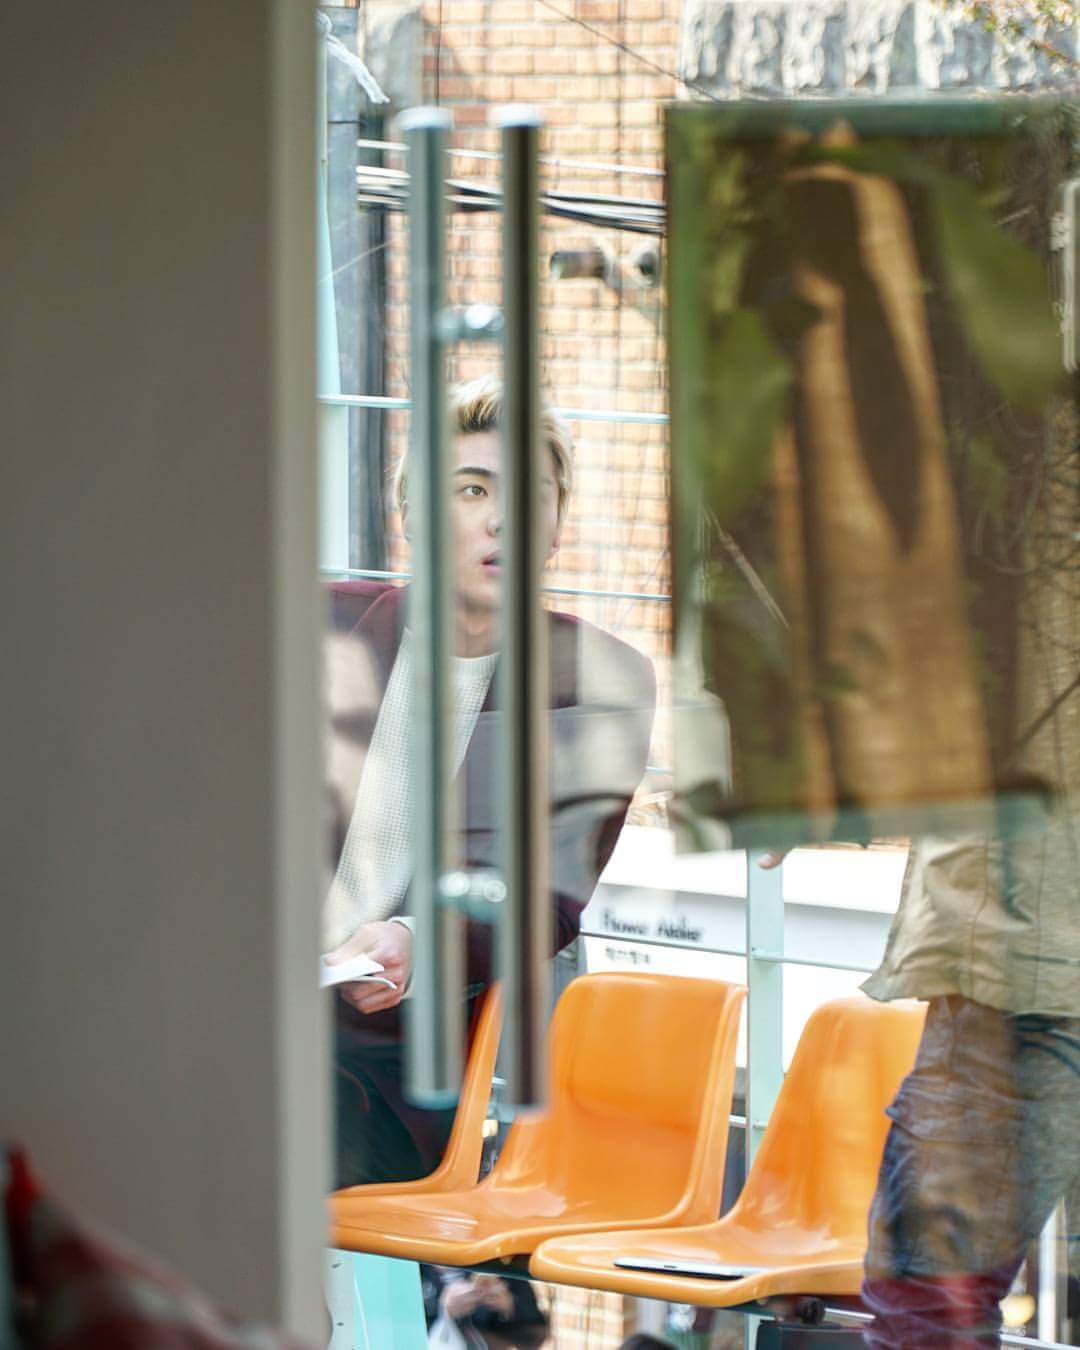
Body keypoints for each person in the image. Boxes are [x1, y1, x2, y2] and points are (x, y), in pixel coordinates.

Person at [323, 376, 656, 1187]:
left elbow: (546, 898)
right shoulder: (316, 625)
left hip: (385, 1073)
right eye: (472, 490)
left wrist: (416, 941)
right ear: (411, 515)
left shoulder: (599, 682)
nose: (501, 520)